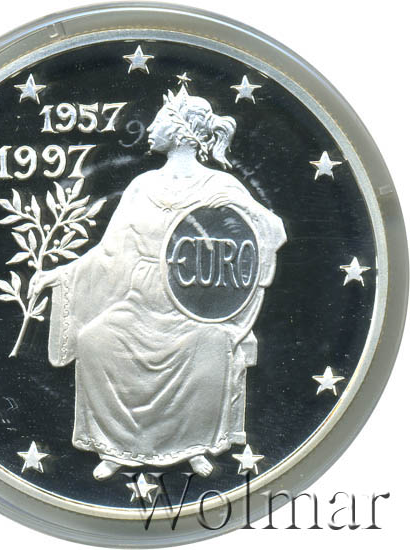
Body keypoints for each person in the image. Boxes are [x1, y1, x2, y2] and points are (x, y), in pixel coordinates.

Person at [30, 86, 286, 480]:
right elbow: (109, 251)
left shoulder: (220, 187)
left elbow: (272, 231)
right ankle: (114, 447)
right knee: (95, 339)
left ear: (181, 132)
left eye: (159, 122)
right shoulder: (142, 186)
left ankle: (194, 446)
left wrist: (241, 211)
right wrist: (58, 274)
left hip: (194, 306)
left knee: (210, 343)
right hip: (140, 301)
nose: (150, 129)